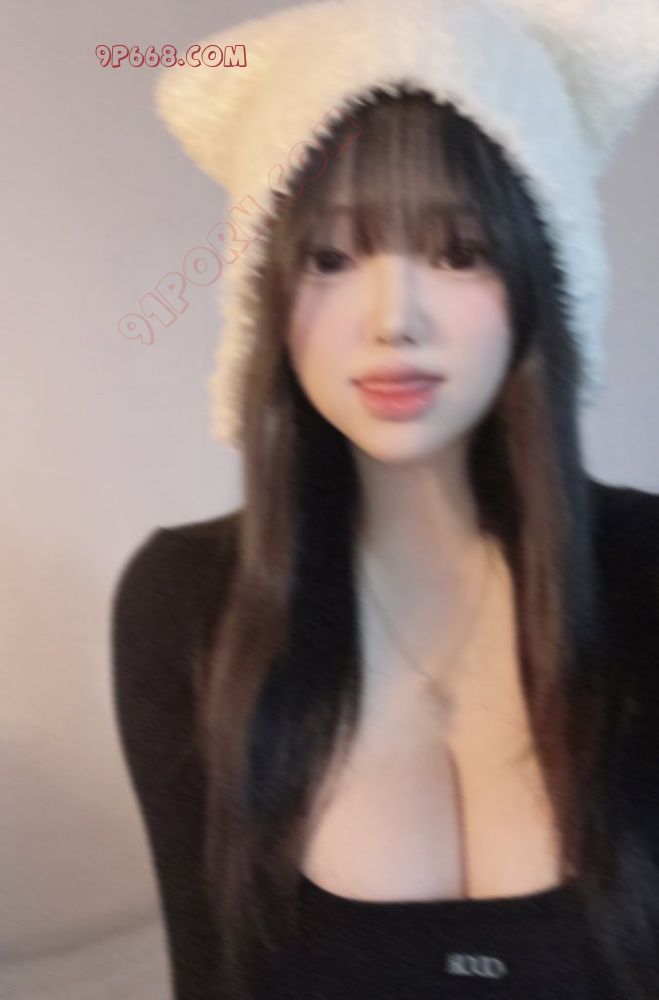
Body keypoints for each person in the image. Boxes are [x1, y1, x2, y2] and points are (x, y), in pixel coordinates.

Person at [111, 1, 659, 997]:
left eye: (457, 251)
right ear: (267, 295)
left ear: (541, 273)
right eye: (328, 258)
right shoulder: (186, 605)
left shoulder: (646, 573)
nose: (392, 319)